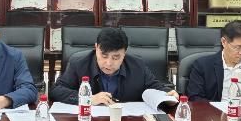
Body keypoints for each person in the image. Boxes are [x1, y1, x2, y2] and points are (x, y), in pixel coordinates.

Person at [49, 27, 177, 105]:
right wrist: (88, 99)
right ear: (96, 48)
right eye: (104, 56)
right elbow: (56, 91)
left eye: (116, 57)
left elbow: (156, 87)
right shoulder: (79, 63)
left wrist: (169, 94)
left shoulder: (138, 65)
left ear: (124, 53)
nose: (109, 63)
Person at [186, 20, 241, 101]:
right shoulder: (202, 66)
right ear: (224, 42)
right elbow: (195, 98)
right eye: (237, 47)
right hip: (212, 109)